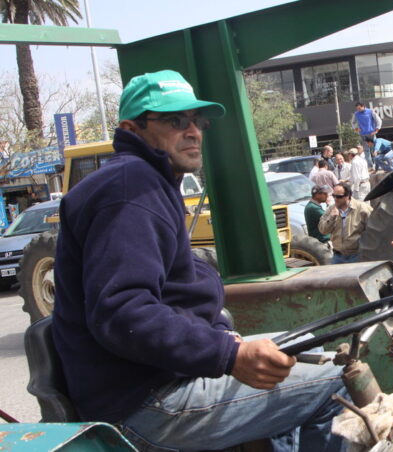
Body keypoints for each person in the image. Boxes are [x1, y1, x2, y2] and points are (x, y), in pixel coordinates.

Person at [51, 69, 346, 451]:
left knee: (305, 351)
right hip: (145, 403)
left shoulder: (149, 182)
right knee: (337, 378)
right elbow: (122, 311)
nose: (193, 131)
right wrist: (227, 353)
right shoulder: (130, 191)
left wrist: (218, 338)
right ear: (132, 128)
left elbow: (166, 294)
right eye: (175, 121)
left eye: (197, 120)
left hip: (156, 379)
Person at [318, 183, 372, 264]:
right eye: (334, 196)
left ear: (348, 196)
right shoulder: (331, 209)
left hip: (357, 256)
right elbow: (323, 230)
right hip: (338, 256)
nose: (335, 199)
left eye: (339, 196)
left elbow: (375, 232)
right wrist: (332, 218)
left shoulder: (363, 209)